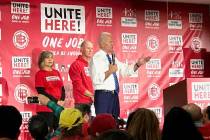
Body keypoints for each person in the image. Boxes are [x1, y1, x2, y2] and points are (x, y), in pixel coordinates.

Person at [90, 32, 151, 119]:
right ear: (103, 43)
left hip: (114, 95)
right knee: (103, 124)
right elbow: (96, 80)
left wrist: (138, 64)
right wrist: (109, 71)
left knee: (115, 123)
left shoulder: (112, 57)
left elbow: (125, 71)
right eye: (110, 42)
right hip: (103, 96)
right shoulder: (97, 58)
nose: (112, 44)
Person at [35, 51, 65, 131]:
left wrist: (61, 100)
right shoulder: (39, 74)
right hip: (45, 108)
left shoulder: (56, 72)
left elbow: (62, 88)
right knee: (46, 133)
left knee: (58, 132)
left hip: (58, 107)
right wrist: (55, 101)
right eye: (47, 57)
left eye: (51, 57)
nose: (50, 59)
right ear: (42, 60)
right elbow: (41, 91)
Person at [69, 40, 94, 112]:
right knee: (82, 123)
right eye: (88, 48)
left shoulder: (93, 65)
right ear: (81, 49)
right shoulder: (76, 65)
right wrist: (92, 95)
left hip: (93, 101)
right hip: (82, 103)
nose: (90, 50)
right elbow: (78, 85)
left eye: (92, 48)